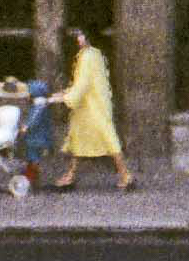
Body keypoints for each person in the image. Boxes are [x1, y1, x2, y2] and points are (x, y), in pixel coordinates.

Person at [51, 27, 130, 195]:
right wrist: (66, 94)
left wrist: (65, 98)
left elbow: (82, 84)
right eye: (78, 35)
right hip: (89, 105)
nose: (80, 38)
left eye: (81, 35)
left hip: (92, 106)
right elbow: (82, 83)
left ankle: (125, 174)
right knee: (79, 139)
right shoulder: (92, 53)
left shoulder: (87, 57)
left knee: (107, 137)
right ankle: (71, 175)